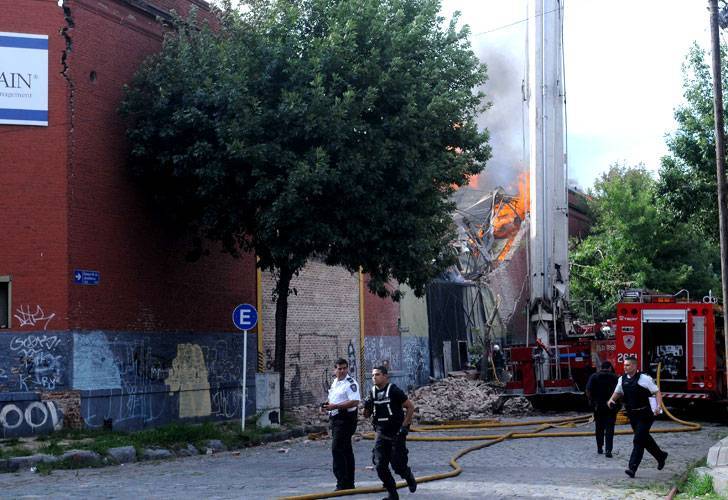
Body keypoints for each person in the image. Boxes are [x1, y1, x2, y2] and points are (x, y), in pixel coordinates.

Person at [607, 355, 668, 478]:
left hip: (646, 414)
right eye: (624, 365)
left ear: (635, 366)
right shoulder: (622, 379)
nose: (625, 367)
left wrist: (658, 407)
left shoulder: (644, 379)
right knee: (644, 438)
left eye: (628, 365)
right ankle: (661, 456)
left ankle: (632, 468)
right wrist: (611, 400)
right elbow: (618, 392)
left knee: (638, 440)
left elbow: (657, 392)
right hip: (633, 414)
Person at [363, 366, 417, 500]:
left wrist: (405, 427)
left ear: (385, 376)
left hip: (396, 434)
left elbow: (410, 407)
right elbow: (366, 415)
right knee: (380, 465)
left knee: (398, 466)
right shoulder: (372, 392)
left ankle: (408, 476)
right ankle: (392, 493)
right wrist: (367, 406)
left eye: (377, 375)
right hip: (381, 433)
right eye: (373, 375)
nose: (374, 377)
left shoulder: (393, 390)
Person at [322, 358, 360, 491]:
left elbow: (354, 401)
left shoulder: (350, 383)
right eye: (339, 368)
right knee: (346, 450)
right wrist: (327, 405)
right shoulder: (336, 381)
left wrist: (335, 406)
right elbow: (334, 397)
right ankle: (349, 482)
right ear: (335, 369)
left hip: (345, 419)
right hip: (336, 417)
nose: (342, 371)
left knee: (337, 449)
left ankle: (342, 482)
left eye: (344, 368)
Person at [585, 361, 619, 457]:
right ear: (609, 368)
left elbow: (588, 390)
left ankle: (599, 448)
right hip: (611, 406)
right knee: (610, 429)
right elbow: (620, 392)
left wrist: (591, 402)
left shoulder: (594, 376)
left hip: (598, 406)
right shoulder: (614, 377)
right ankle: (608, 450)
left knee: (599, 428)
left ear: (601, 367)